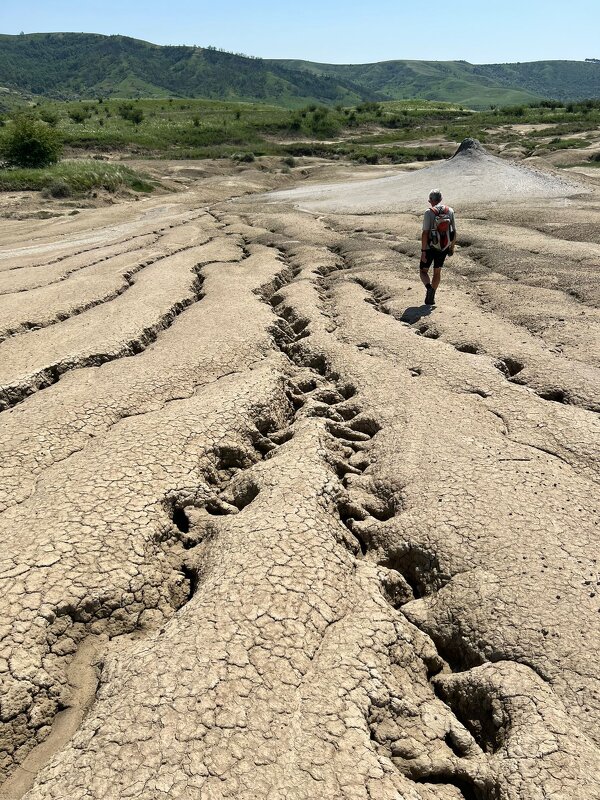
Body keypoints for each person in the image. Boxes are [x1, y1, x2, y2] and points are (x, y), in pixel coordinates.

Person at [420, 189, 456, 306]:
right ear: (441, 199)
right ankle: (432, 295)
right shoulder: (450, 211)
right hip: (444, 247)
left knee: (423, 271)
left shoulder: (428, 212)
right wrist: (452, 247)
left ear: (430, 200)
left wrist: (423, 251)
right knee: (437, 271)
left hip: (430, 247)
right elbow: (454, 231)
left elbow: (425, 233)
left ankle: (429, 288)